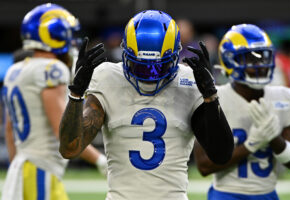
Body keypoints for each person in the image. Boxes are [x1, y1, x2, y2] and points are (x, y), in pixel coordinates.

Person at [59, 10, 234, 200]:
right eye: (141, 66)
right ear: (124, 53)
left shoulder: (189, 81)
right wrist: (76, 94)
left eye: (158, 66)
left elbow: (221, 155)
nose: (149, 75)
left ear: (176, 55)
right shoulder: (108, 77)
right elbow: (70, 148)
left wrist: (210, 96)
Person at [1, 3, 107, 200]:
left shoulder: (15, 70)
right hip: (41, 169)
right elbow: (64, 131)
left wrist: (20, 165)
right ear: (54, 36)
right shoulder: (51, 69)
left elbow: (9, 128)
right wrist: (100, 159)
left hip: (23, 168)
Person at [193, 24, 290, 200]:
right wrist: (252, 144)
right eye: (250, 59)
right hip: (225, 194)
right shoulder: (215, 99)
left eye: (263, 57)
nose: (261, 65)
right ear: (229, 61)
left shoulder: (285, 98)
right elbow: (204, 165)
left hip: (268, 194)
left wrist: (274, 138)